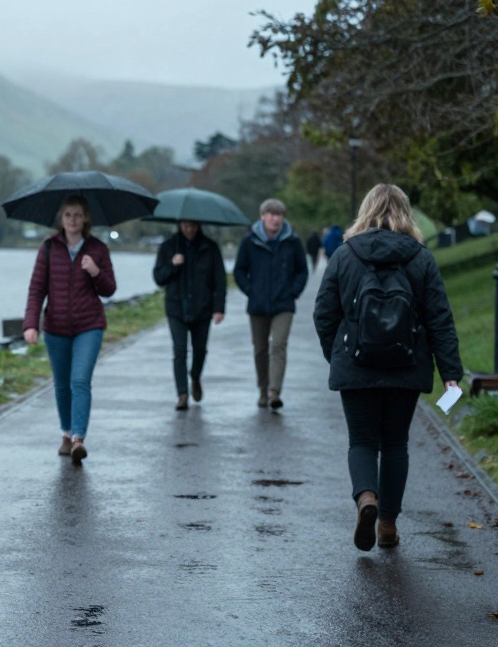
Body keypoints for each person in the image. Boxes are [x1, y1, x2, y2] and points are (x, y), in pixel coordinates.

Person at [313, 184, 461, 551]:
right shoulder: (421, 258)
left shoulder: (345, 255)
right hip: (406, 365)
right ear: (405, 212)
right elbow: (439, 318)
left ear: (365, 210)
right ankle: (388, 526)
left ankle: (367, 499)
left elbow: (323, 314)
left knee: (362, 441)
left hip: (356, 365)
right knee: (395, 444)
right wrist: (450, 373)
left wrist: (339, 355)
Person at [23, 195, 116, 465]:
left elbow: (110, 289)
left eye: (78, 215)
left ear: (86, 218)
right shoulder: (49, 248)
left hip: (90, 326)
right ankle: (66, 433)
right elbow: (36, 288)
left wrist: (96, 271)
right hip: (56, 328)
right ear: (61, 219)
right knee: (63, 385)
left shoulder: (98, 249)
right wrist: (30, 324)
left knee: (80, 381)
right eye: (68, 215)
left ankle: (78, 439)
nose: (73, 220)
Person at [233, 198, 309, 409]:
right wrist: (250, 291)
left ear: (283, 218)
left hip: (283, 304)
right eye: (271, 214)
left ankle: (274, 391)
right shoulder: (250, 241)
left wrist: (293, 292)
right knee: (260, 349)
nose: (275, 218)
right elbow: (239, 270)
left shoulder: (292, 241)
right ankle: (262, 389)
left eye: (279, 215)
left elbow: (302, 270)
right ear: (263, 217)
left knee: (278, 346)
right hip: (257, 305)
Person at [152, 220, 226, 410]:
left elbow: (220, 279)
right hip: (176, 307)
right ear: (179, 224)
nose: (189, 229)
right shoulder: (169, 247)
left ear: (199, 225)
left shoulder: (210, 247)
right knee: (179, 350)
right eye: (186, 225)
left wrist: (219, 308)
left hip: (203, 307)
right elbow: (159, 277)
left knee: (200, 350)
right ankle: (182, 394)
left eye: (193, 225)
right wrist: (173, 264)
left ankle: (195, 376)